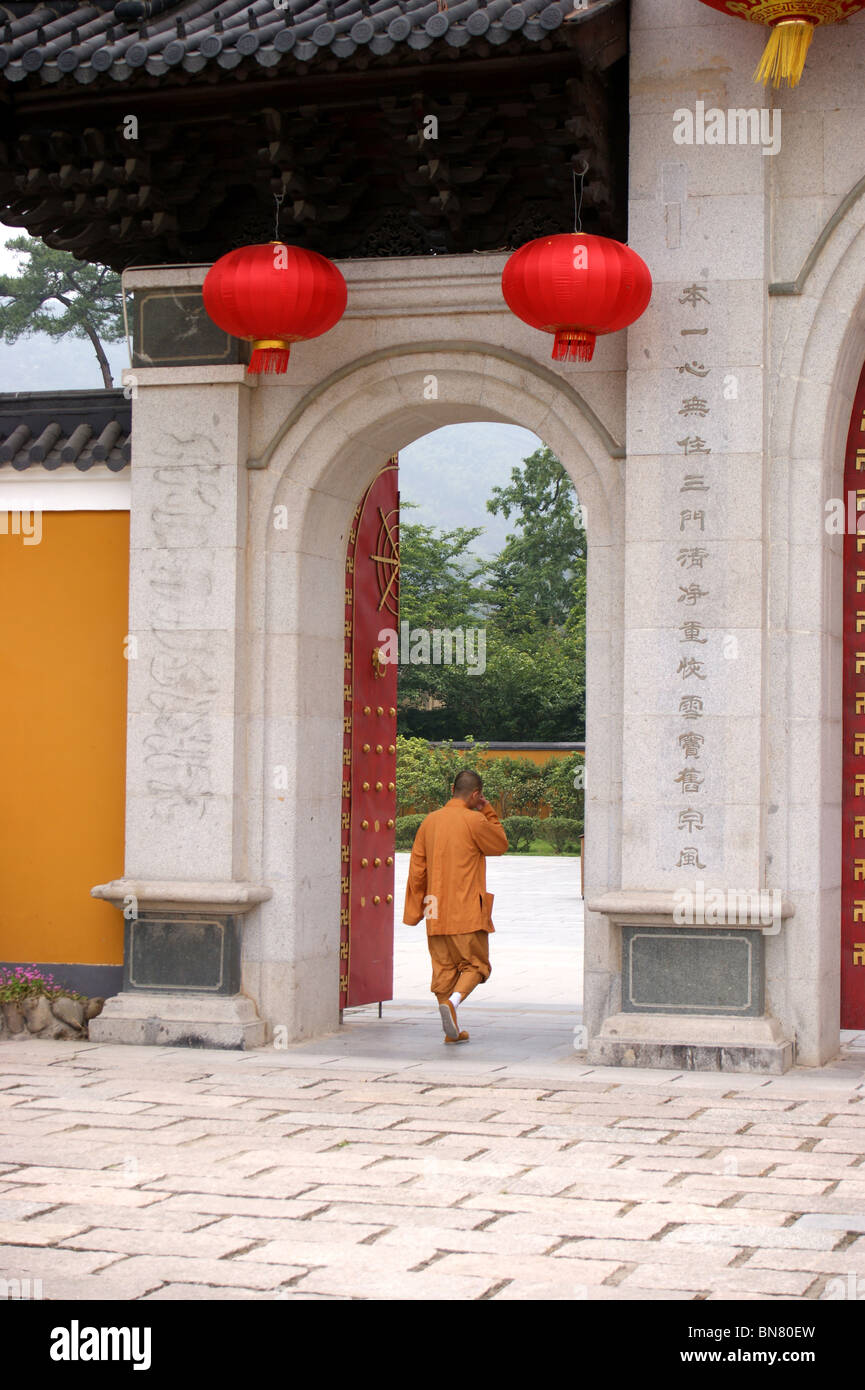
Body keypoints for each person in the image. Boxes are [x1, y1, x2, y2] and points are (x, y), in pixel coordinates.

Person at [403, 768, 508, 1043]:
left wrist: (416, 908)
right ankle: (454, 1003)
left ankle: (452, 1030)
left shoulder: (429, 821)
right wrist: (489, 811)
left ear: (452, 790)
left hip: (434, 909)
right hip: (465, 909)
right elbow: (499, 844)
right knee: (476, 965)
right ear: (475, 795)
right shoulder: (474, 820)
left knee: (444, 969)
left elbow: (417, 869)